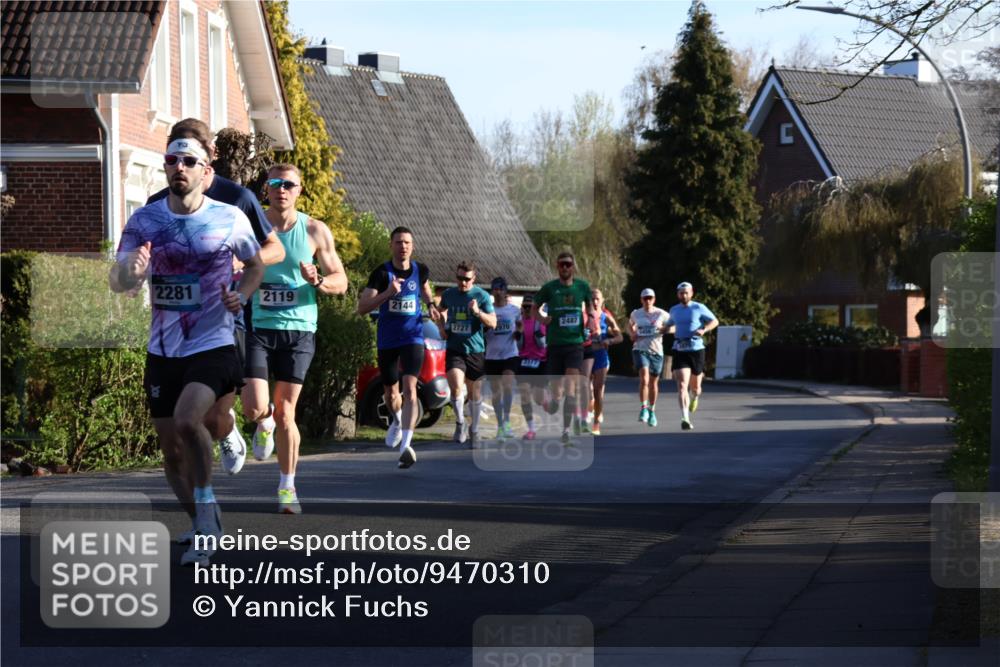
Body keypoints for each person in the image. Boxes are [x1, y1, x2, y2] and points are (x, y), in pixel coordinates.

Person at [111, 136, 263, 565]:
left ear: (205, 171)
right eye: (172, 160)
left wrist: (243, 296)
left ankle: (206, 505)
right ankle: (202, 519)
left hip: (212, 341)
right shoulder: (145, 220)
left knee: (187, 419)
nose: (179, 167)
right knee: (170, 452)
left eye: (189, 161)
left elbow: (255, 266)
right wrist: (130, 272)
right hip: (163, 347)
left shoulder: (229, 218)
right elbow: (117, 280)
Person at [147, 118, 285, 477]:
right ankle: (203, 508)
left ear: (211, 155)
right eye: (175, 152)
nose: (182, 163)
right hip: (173, 330)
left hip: (225, 320)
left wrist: (241, 259)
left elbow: (274, 251)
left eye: (192, 153)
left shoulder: (237, 199)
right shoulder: (157, 204)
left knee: (211, 417)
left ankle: (230, 430)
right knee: (186, 422)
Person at [241, 164, 347, 514]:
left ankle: (287, 488)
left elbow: (341, 282)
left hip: (300, 330)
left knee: (288, 412)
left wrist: (316, 281)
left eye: (288, 184)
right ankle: (263, 421)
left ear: (300, 190)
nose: (281, 189)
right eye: (274, 183)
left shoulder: (315, 230)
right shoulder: (253, 227)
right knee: (256, 407)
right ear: (266, 189)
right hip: (260, 326)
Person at [358, 227, 437, 469]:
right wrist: (388, 293)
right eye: (399, 242)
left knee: (410, 388)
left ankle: (406, 446)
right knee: (391, 395)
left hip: (413, 337)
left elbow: (423, 287)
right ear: (391, 245)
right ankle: (396, 419)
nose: (403, 246)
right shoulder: (381, 273)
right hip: (388, 340)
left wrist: (431, 303)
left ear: (412, 246)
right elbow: (362, 307)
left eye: (407, 243)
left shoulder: (420, 269)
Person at [432, 261, 497, 448]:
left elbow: (493, 323)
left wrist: (477, 313)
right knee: (456, 387)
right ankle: (460, 422)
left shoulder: (482, 296)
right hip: (455, 348)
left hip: (475, 350)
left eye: (466, 279)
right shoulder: (449, 294)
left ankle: (474, 430)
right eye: (459, 278)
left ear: (474, 279)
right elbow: (440, 311)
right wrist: (441, 326)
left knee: (475, 393)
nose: (462, 283)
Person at [531, 251, 591, 444]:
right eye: (562, 265)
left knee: (570, 387)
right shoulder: (549, 288)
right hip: (555, 345)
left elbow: (590, 308)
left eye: (568, 264)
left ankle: (565, 431)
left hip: (575, 344)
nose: (565, 268)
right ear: (557, 267)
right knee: (557, 396)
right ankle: (552, 403)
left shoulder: (582, 287)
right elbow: (534, 307)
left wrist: (590, 320)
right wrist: (542, 319)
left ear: (573, 267)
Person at [668, 282, 718, 431]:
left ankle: (695, 397)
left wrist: (704, 329)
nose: (683, 295)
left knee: (695, 387)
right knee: (682, 385)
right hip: (679, 349)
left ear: (691, 293)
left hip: (696, 350)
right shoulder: (674, 310)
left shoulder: (699, 307)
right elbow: (670, 325)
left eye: (686, 293)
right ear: (677, 294)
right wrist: (662, 329)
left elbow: (714, 321)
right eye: (681, 293)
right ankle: (685, 418)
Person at [484, 277, 520, 440]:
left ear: (506, 291)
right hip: (492, 356)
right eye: (495, 289)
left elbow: (520, 324)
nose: (498, 292)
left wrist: (519, 332)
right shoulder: (489, 310)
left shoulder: (514, 310)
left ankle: (506, 421)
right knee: (496, 393)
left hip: (509, 354)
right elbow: (483, 330)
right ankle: (500, 426)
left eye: (500, 289)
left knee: (507, 385)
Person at [629, 288, 670, 428]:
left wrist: (665, 330)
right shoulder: (636, 313)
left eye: (650, 298)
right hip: (640, 349)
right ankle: (643, 408)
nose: (648, 301)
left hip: (657, 352)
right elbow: (630, 326)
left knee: (653, 383)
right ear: (641, 300)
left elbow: (674, 327)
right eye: (645, 298)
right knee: (644, 379)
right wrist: (632, 334)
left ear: (654, 299)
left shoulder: (662, 313)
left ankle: (652, 411)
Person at [586, 289, 623, 435]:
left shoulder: (606, 317)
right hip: (586, 354)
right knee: (586, 388)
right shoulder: (584, 316)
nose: (595, 302)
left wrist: (609, 340)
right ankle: (592, 409)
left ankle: (596, 424)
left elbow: (620, 336)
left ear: (602, 301)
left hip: (601, 354)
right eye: (592, 299)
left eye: (597, 299)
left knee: (597, 390)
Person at [515, 294, 548, 440]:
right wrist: (518, 332)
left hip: (540, 362)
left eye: (530, 306)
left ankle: (546, 401)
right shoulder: (518, 322)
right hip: (523, 361)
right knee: (524, 394)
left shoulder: (540, 321)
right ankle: (531, 429)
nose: (527, 309)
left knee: (538, 399)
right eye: (525, 306)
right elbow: (516, 343)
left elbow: (546, 341)